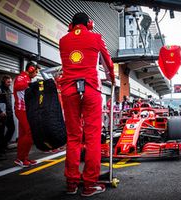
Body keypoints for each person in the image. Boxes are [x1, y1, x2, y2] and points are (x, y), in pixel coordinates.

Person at [59, 12, 115, 196]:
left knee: (73, 137)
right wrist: (112, 79)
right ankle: (90, 184)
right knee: (92, 137)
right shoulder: (96, 37)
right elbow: (108, 63)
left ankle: (71, 183)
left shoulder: (63, 40)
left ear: (70, 25)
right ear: (89, 24)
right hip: (91, 89)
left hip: (68, 90)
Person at [13, 62, 40, 167]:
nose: (36, 74)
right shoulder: (21, 77)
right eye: (36, 71)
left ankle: (23, 157)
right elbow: (18, 86)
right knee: (30, 132)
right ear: (31, 69)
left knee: (23, 135)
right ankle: (21, 158)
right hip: (21, 110)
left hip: (26, 110)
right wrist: (31, 85)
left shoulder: (28, 79)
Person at [0, 75, 15, 157]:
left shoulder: (9, 89)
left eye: (10, 82)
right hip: (2, 115)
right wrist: (0, 111)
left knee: (12, 129)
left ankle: (3, 146)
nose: (10, 84)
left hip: (9, 114)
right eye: (8, 82)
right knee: (0, 133)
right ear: (4, 81)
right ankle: (0, 151)